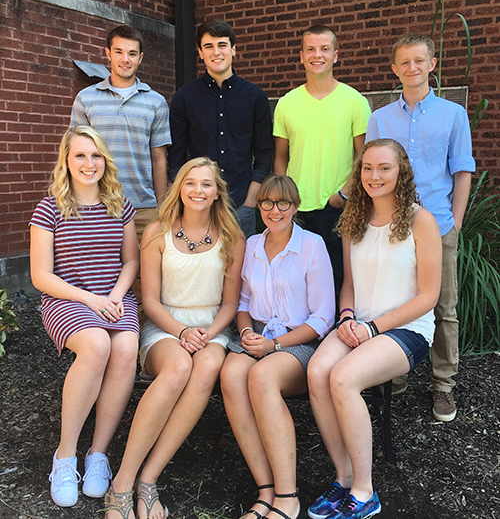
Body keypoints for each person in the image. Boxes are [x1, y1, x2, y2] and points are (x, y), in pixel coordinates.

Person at [103, 157, 245, 519]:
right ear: (179, 188)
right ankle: (122, 482)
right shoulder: (157, 232)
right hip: (166, 326)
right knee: (179, 366)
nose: (198, 190)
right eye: (191, 183)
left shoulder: (233, 236)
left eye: (207, 184)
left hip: (212, 327)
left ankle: (148, 479)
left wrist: (209, 333)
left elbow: (230, 303)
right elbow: (149, 300)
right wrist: (181, 331)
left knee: (207, 365)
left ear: (217, 193)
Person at [306, 139, 442, 519]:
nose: (374, 176)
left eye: (384, 168)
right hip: (358, 324)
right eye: (367, 168)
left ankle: (365, 493)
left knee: (344, 377)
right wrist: (347, 316)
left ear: (401, 171)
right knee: (317, 372)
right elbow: (348, 284)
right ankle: (344, 478)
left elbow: (428, 296)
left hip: (406, 330)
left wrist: (372, 326)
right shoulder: (352, 220)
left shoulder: (421, 221)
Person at [366, 33, 475, 421]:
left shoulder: (452, 114)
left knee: (444, 307)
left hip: (439, 226)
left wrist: (456, 224)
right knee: (393, 300)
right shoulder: (380, 118)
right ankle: (393, 375)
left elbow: (462, 172)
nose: (412, 68)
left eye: (419, 61)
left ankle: (443, 385)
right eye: (404, 62)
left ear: (432, 64)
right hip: (392, 227)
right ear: (394, 69)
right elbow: (375, 172)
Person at [29, 126, 140, 508]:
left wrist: (114, 296)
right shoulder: (50, 208)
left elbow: (131, 261)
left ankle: (98, 455)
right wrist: (91, 299)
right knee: (95, 345)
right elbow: (41, 276)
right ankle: (65, 456)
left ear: (104, 161)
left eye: (95, 156)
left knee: (125, 348)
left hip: (114, 298)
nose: (88, 163)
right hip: (67, 300)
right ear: (66, 160)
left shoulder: (119, 204)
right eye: (79, 155)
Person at [220, 175, 335, 519]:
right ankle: (265, 490)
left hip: (296, 341)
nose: (275, 210)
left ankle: (288, 496)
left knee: (262, 377)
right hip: (255, 335)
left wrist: (275, 344)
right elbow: (242, 302)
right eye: (267, 202)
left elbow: (323, 317)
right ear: (260, 206)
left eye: (283, 203)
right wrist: (245, 334)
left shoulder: (312, 245)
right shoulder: (252, 244)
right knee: (230, 375)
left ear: (295, 207)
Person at [71, 25, 171, 320]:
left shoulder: (156, 102)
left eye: (132, 53)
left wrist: (162, 207)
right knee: (97, 271)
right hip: (96, 204)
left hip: (142, 206)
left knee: (145, 275)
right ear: (107, 55)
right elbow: (74, 154)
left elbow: (159, 157)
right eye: (119, 52)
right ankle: (98, 329)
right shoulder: (86, 99)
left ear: (141, 58)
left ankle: (143, 341)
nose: (125, 59)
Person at [273, 24, 371, 299]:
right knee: (298, 281)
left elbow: (365, 156)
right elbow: (280, 157)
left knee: (339, 278)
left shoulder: (355, 101)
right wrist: (284, 199)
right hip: (297, 208)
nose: (318, 55)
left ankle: (338, 335)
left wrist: (343, 194)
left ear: (336, 55)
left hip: (338, 206)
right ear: (302, 56)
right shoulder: (287, 103)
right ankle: (303, 339)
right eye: (311, 49)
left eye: (325, 49)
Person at [168, 19, 273, 238]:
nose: (216, 52)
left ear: (233, 50)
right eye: (209, 46)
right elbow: (176, 155)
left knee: (240, 270)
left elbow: (264, 154)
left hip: (241, 205)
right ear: (200, 52)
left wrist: (250, 201)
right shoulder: (184, 98)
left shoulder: (255, 97)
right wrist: (186, 201)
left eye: (222, 45)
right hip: (197, 206)